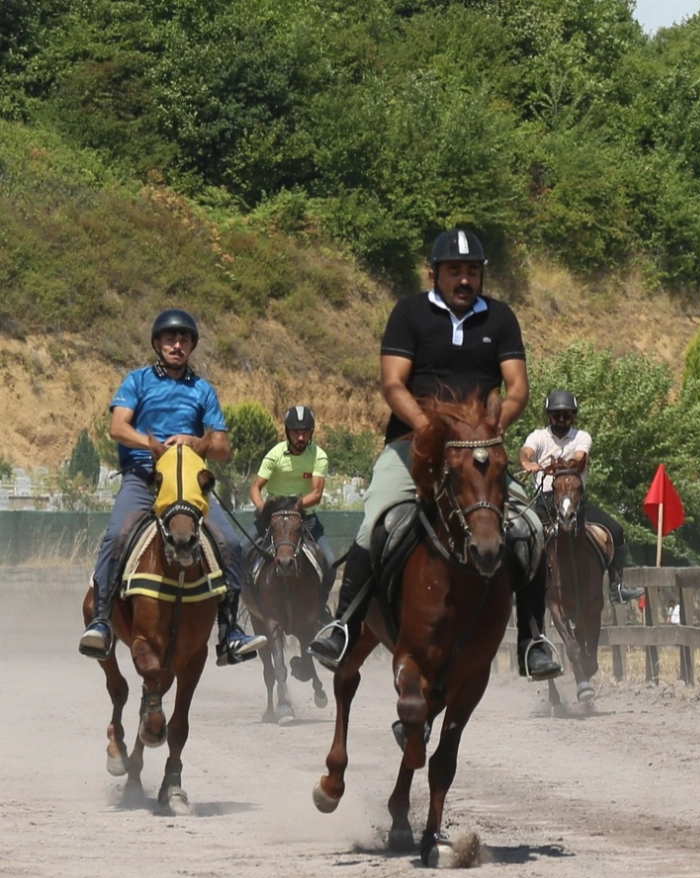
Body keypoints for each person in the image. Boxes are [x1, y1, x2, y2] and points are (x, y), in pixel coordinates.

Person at [308, 228, 534, 671]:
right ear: (434, 273)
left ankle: (533, 637)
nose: (465, 280)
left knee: (529, 528)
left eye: (472, 271)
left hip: (479, 453)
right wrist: (430, 430)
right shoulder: (410, 313)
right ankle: (343, 626)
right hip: (411, 446)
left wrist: (487, 431)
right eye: (455, 271)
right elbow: (393, 383)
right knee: (374, 520)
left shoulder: (501, 319)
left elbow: (518, 388)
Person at [78, 309, 268, 665]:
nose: (177, 345)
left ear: (192, 346)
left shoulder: (203, 390)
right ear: (157, 343)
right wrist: (156, 446)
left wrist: (196, 442)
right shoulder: (137, 381)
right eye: (170, 339)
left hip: (189, 483)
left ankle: (229, 633)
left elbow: (223, 448)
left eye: (184, 340)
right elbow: (118, 428)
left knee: (229, 543)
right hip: (144, 477)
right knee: (117, 535)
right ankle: (103, 621)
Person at [519, 390, 644, 606]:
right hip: (546, 501)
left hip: (575, 501)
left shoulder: (582, 437)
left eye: (566, 415)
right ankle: (520, 586)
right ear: (549, 415)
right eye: (556, 415)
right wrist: (527, 463)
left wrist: (557, 466)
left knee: (616, 531)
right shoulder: (538, 436)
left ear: (573, 416)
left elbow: (579, 459)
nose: (561, 420)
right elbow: (525, 452)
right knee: (519, 534)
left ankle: (617, 587)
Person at [249, 405, 336, 612]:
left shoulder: (319, 456)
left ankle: (319, 608)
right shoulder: (275, 454)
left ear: (311, 433)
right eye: (296, 432)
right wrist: (262, 508)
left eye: (305, 432)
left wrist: (295, 506)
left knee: (331, 562)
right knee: (241, 550)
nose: (300, 437)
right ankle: (248, 603)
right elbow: (255, 488)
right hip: (273, 518)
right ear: (287, 432)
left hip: (306, 519)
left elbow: (316, 494)